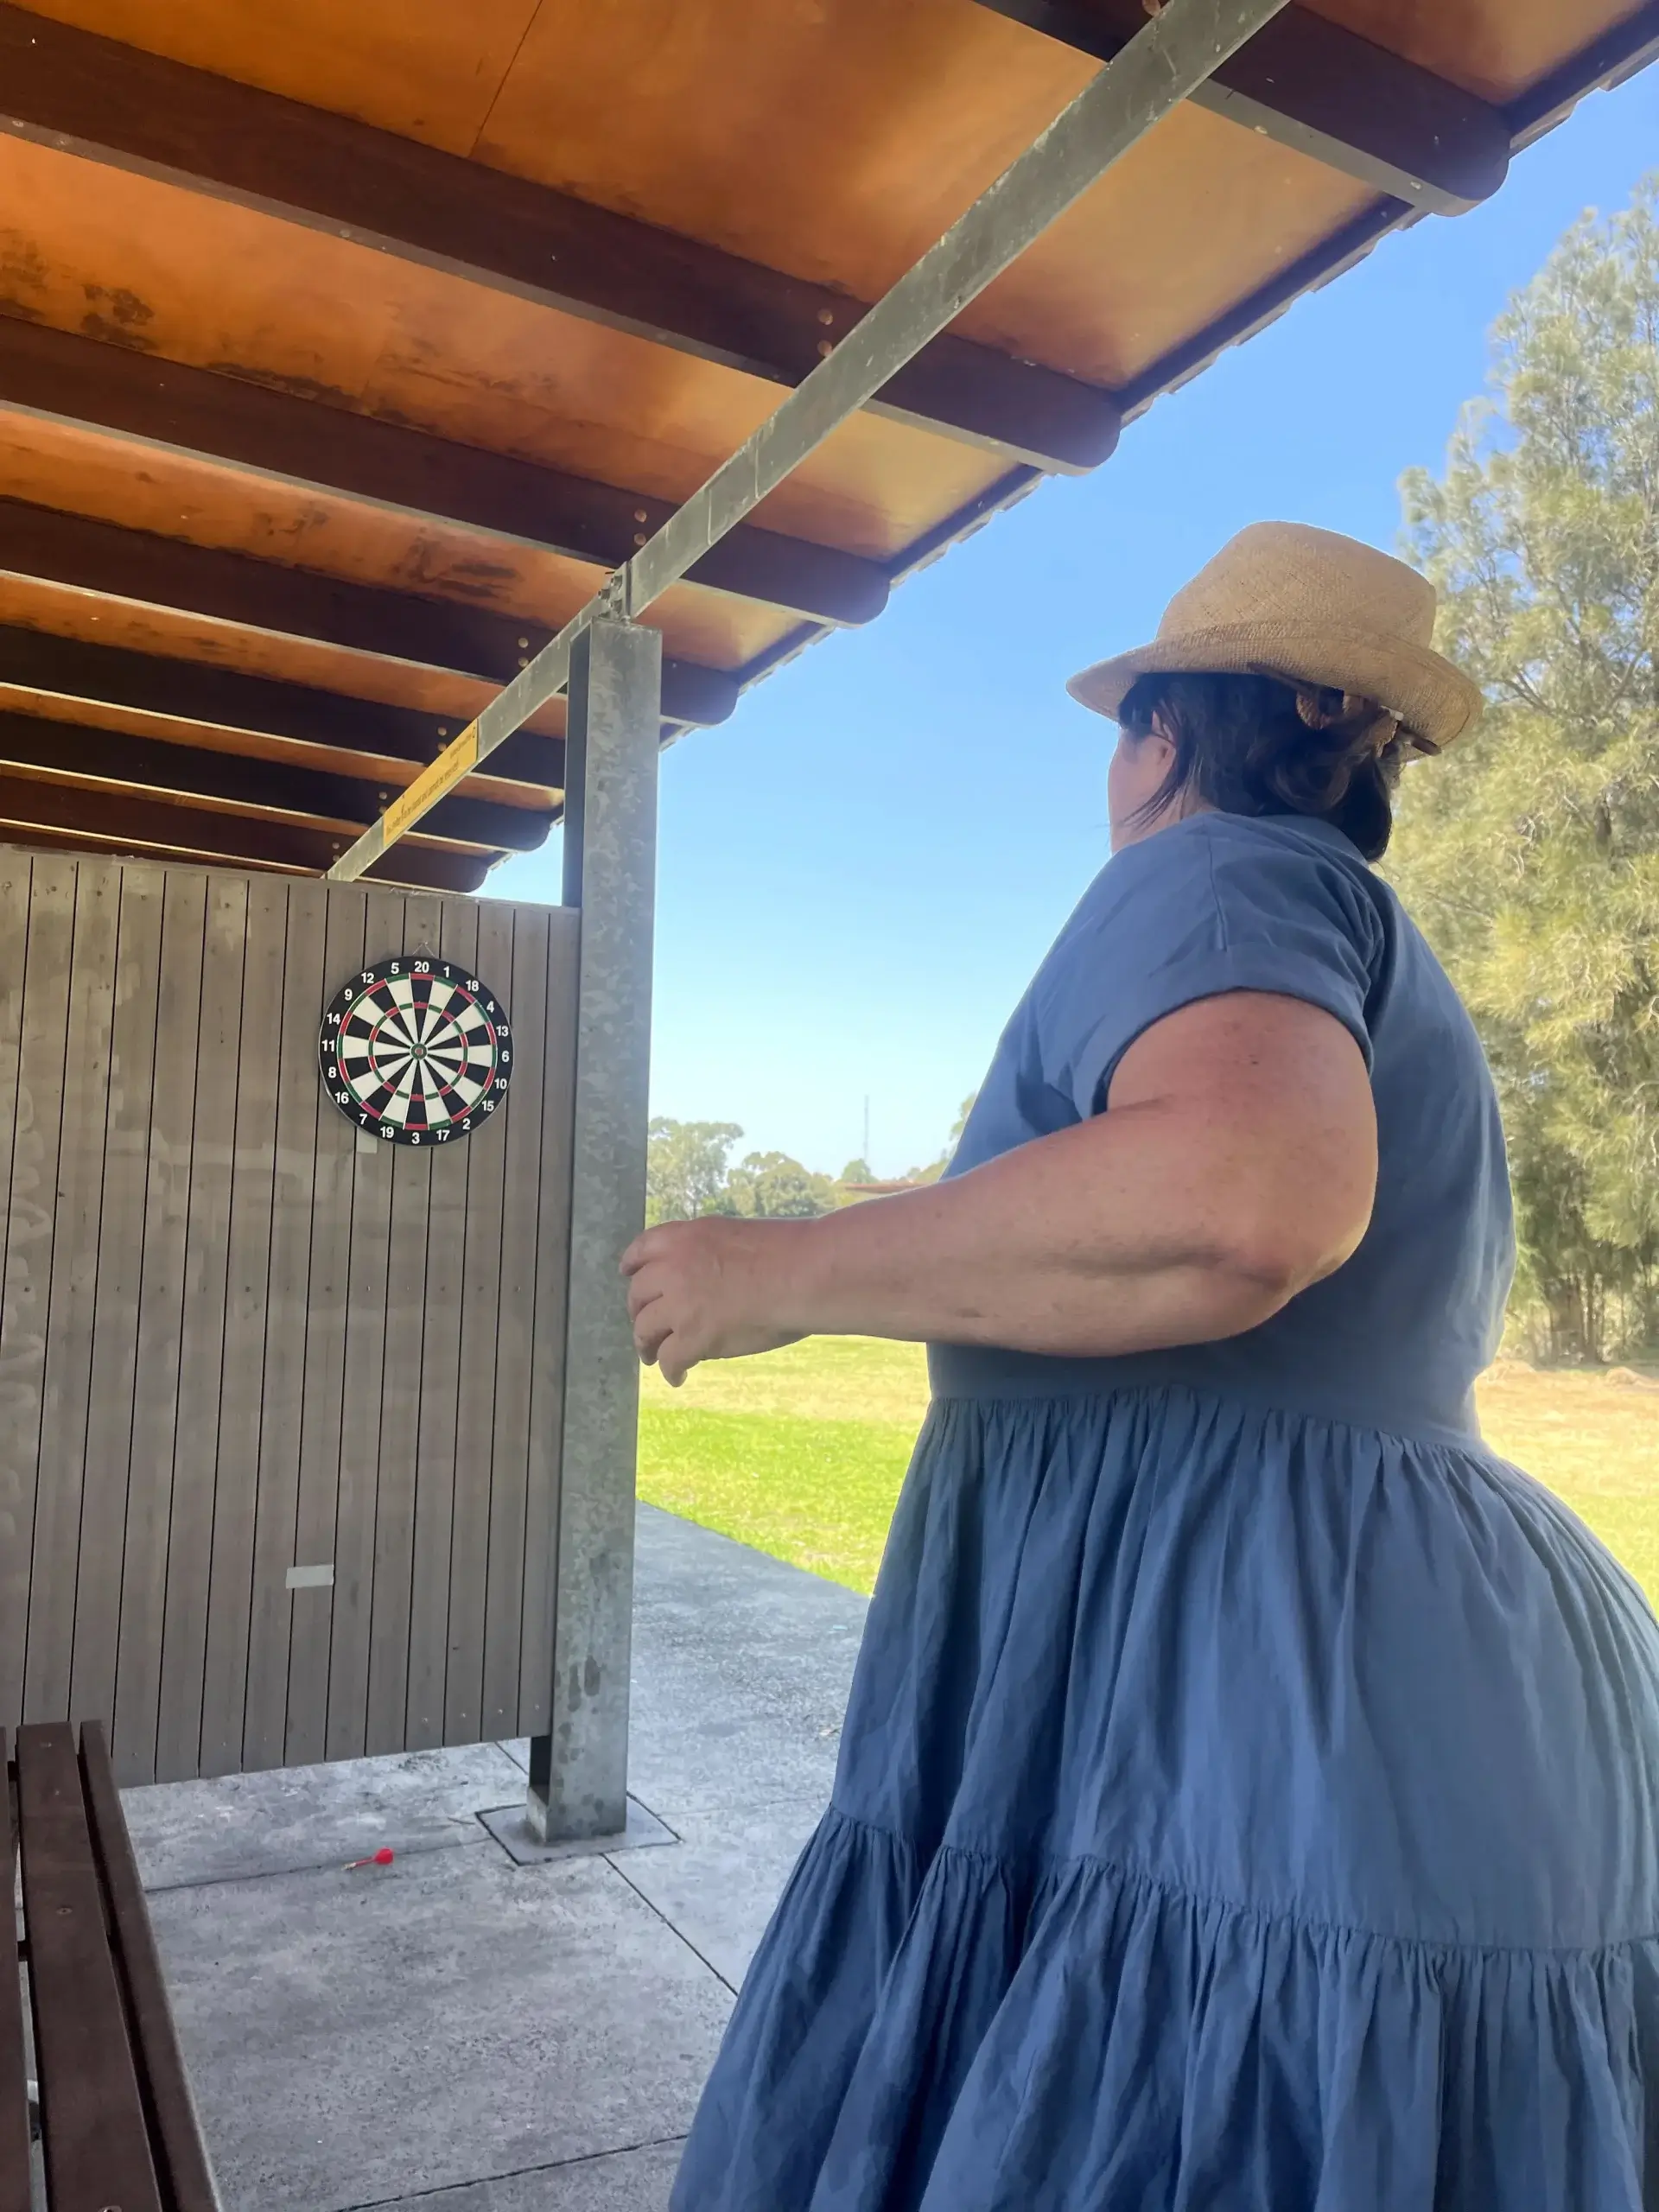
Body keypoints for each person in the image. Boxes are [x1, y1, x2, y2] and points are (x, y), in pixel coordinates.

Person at [628, 524, 1659, 2209]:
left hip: (1253, 1718)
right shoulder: (1341, 920)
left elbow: (1240, 1197)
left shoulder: (1216, 870)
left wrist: (782, 1271)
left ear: (1164, 733)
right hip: (1392, 1710)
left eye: (1128, 725)